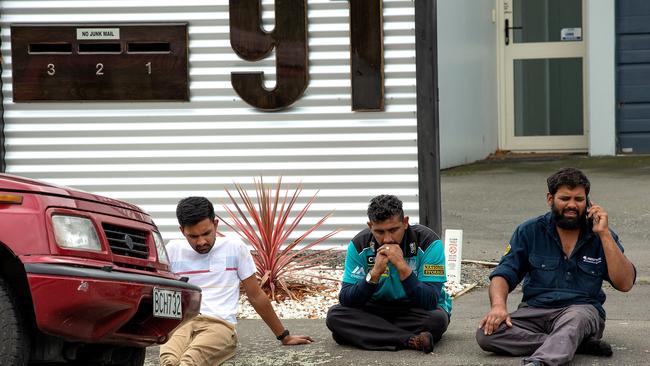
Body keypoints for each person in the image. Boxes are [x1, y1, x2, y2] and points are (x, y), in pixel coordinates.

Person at [476, 168, 636, 366]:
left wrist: (604, 234)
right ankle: (571, 344)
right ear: (550, 198)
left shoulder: (601, 234)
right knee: (487, 333)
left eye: (579, 199)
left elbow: (625, 282)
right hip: (534, 312)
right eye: (565, 198)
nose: (572, 205)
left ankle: (541, 361)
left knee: (574, 320)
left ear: (588, 202)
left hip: (581, 312)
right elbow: (504, 273)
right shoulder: (529, 230)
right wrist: (498, 307)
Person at [160, 196, 313, 366]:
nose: (201, 241)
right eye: (193, 236)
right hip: (182, 324)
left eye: (206, 233)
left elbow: (255, 295)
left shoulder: (234, 248)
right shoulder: (172, 250)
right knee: (169, 361)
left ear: (215, 224)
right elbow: (161, 295)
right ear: (182, 231)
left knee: (190, 361)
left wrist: (284, 336)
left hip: (219, 325)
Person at [326, 194, 452, 353]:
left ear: (405, 222)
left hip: (414, 309)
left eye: (393, 230)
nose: (387, 239)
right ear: (370, 226)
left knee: (436, 320)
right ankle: (411, 340)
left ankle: (367, 333)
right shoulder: (359, 245)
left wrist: (402, 266)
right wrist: (374, 274)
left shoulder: (428, 242)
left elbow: (430, 300)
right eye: (379, 232)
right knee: (335, 316)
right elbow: (347, 299)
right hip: (376, 308)